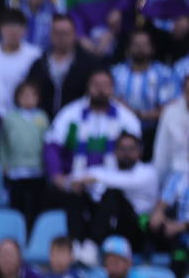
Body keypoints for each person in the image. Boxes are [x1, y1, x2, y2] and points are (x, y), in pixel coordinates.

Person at [45, 73, 143, 263]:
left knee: (111, 198)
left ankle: (92, 246)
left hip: (114, 186)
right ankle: (76, 245)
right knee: (73, 197)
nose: (100, 89)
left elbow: (135, 153)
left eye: (106, 85)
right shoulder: (70, 114)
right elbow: (51, 147)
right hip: (77, 183)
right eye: (96, 84)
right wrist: (58, 176)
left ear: (113, 88)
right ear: (88, 87)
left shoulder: (126, 118)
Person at [0, 81, 50, 228]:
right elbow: (2, 143)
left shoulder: (42, 117)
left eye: (32, 95)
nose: (28, 98)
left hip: (37, 171)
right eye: (24, 94)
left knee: (36, 207)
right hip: (16, 171)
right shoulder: (9, 118)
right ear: (17, 97)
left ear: (38, 98)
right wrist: (4, 164)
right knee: (17, 206)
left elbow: (48, 143)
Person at [24, 14, 98, 117]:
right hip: (43, 123)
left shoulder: (88, 64)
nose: (61, 37)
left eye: (65, 33)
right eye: (57, 33)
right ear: (51, 35)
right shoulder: (38, 65)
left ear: (74, 34)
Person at [113, 28, 177, 142]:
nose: (140, 48)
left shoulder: (164, 74)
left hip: (155, 131)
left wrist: (138, 115)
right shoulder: (116, 73)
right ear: (128, 48)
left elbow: (168, 108)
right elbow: (112, 102)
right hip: (121, 131)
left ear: (152, 49)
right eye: (136, 44)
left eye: (144, 44)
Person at [0, 9, 42, 115]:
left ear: (25, 30)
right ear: (0, 28)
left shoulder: (35, 55)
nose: (13, 31)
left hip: (24, 115)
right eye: (8, 26)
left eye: (18, 27)